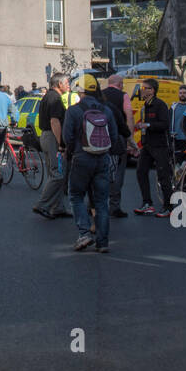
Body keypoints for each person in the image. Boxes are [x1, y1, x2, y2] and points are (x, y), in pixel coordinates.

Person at [62, 75, 119, 252]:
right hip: (102, 158)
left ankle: (84, 233)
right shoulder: (107, 110)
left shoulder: (74, 110)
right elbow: (114, 137)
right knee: (101, 201)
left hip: (81, 158)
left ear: (80, 91)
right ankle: (103, 242)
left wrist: (71, 152)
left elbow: (67, 138)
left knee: (76, 195)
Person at [33, 73, 73, 219]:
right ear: (59, 84)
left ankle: (58, 207)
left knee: (54, 173)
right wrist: (61, 143)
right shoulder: (55, 98)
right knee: (58, 173)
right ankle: (43, 205)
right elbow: (54, 121)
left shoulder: (48, 96)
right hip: (52, 137)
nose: (69, 85)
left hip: (47, 136)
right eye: (67, 82)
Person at [134, 78, 172, 217]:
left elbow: (165, 124)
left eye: (145, 88)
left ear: (152, 90)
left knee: (163, 176)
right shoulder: (145, 105)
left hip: (159, 145)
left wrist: (148, 125)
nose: (141, 90)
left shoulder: (160, 105)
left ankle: (169, 206)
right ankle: (147, 203)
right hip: (147, 145)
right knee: (141, 171)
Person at [102, 74, 134, 218]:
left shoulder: (101, 95)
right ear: (120, 84)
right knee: (118, 172)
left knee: (101, 170)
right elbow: (129, 116)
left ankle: (95, 205)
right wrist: (130, 139)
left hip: (100, 137)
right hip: (118, 138)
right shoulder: (123, 96)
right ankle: (114, 206)